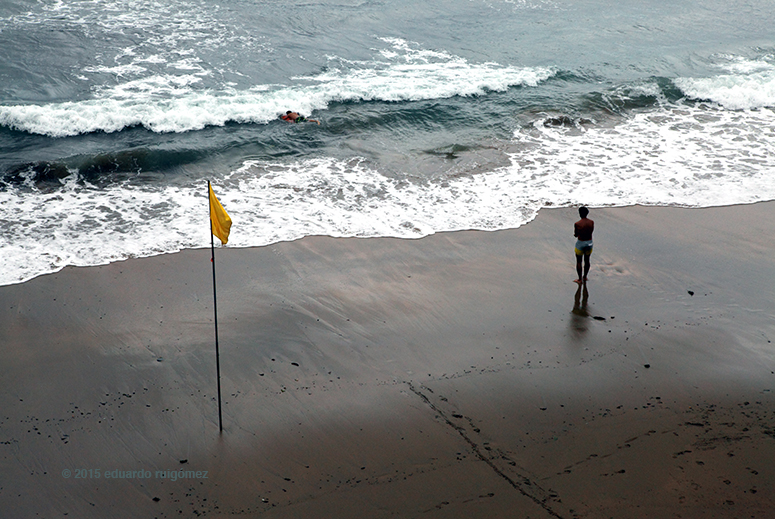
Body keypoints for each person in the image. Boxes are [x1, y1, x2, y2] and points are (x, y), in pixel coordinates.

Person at [573, 206, 594, 284]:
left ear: (580, 214)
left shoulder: (577, 224)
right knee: (587, 260)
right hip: (589, 242)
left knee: (579, 261)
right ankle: (585, 276)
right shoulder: (591, 222)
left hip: (581, 243)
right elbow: (591, 231)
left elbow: (576, 234)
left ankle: (579, 279)